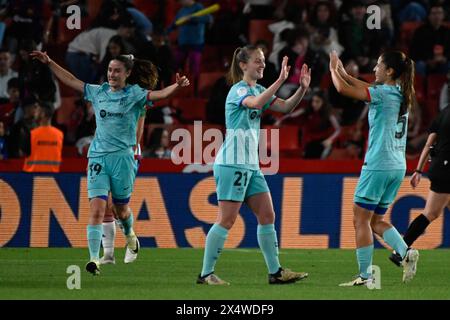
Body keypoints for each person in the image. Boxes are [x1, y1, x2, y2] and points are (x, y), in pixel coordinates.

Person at [30, 50, 189, 275]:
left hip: (123, 158)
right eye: (110, 70)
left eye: (117, 71)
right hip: (98, 157)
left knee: (120, 210)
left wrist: (177, 86)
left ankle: (130, 235)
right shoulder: (98, 92)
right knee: (97, 208)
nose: (112, 74)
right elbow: (71, 80)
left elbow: (159, 95)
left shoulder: (135, 94)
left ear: (128, 74)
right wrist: (50, 62)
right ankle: (94, 259)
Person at [197, 45, 311, 285]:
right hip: (233, 163)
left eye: (263, 61)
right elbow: (255, 104)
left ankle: (275, 272)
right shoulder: (238, 90)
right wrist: (280, 80)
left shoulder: (259, 89)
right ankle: (206, 274)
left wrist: (301, 89)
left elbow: (285, 107)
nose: (262, 64)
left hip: (250, 165)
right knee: (226, 219)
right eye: (258, 61)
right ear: (243, 65)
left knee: (267, 215)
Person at [329, 50, 419, 286]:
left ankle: (365, 276)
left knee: (360, 219)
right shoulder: (400, 93)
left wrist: (332, 71)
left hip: (378, 164)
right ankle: (405, 251)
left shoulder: (382, 93)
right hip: (397, 165)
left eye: (378, 65)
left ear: (389, 71)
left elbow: (343, 90)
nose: (374, 69)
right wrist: (344, 72)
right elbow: (363, 84)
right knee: (375, 221)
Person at [389, 106, 450, 265]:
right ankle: (400, 250)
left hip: (438, 167)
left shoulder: (443, 113)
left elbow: (428, 144)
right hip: (447, 169)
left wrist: (418, 170)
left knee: (432, 212)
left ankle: (400, 250)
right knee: (430, 213)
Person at [275, 89, 341, 159]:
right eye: (313, 101)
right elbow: (291, 115)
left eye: (317, 101)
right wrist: (280, 121)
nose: (314, 104)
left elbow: (338, 129)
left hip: (323, 142)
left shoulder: (329, 114)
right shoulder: (307, 110)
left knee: (321, 155)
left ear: (323, 102)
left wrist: (330, 140)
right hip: (310, 142)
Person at [23, 102, 63, 173]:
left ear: (43, 114)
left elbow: (24, 153)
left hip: (32, 177)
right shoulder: (60, 135)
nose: (35, 113)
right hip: (53, 177)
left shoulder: (32, 134)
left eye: (37, 110)